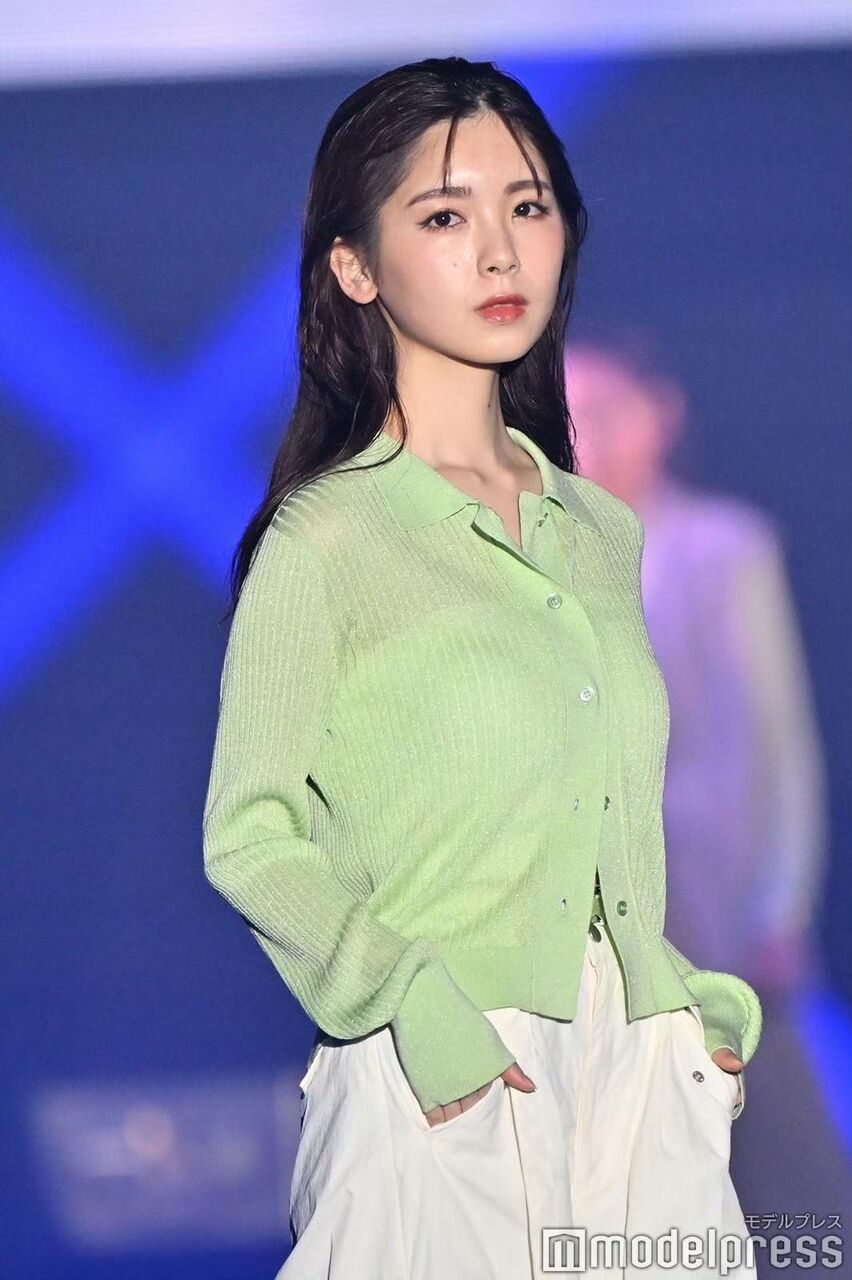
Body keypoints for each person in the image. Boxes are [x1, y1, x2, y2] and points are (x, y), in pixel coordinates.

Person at [201, 57, 763, 1279]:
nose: (501, 250)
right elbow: (249, 832)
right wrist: (408, 1002)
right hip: (446, 1075)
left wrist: (689, 1005)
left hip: (641, 1083)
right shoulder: (329, 537)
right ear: (355, 266)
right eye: (446, 216)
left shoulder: (599, 530)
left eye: (529, 204)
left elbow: (600, 816)